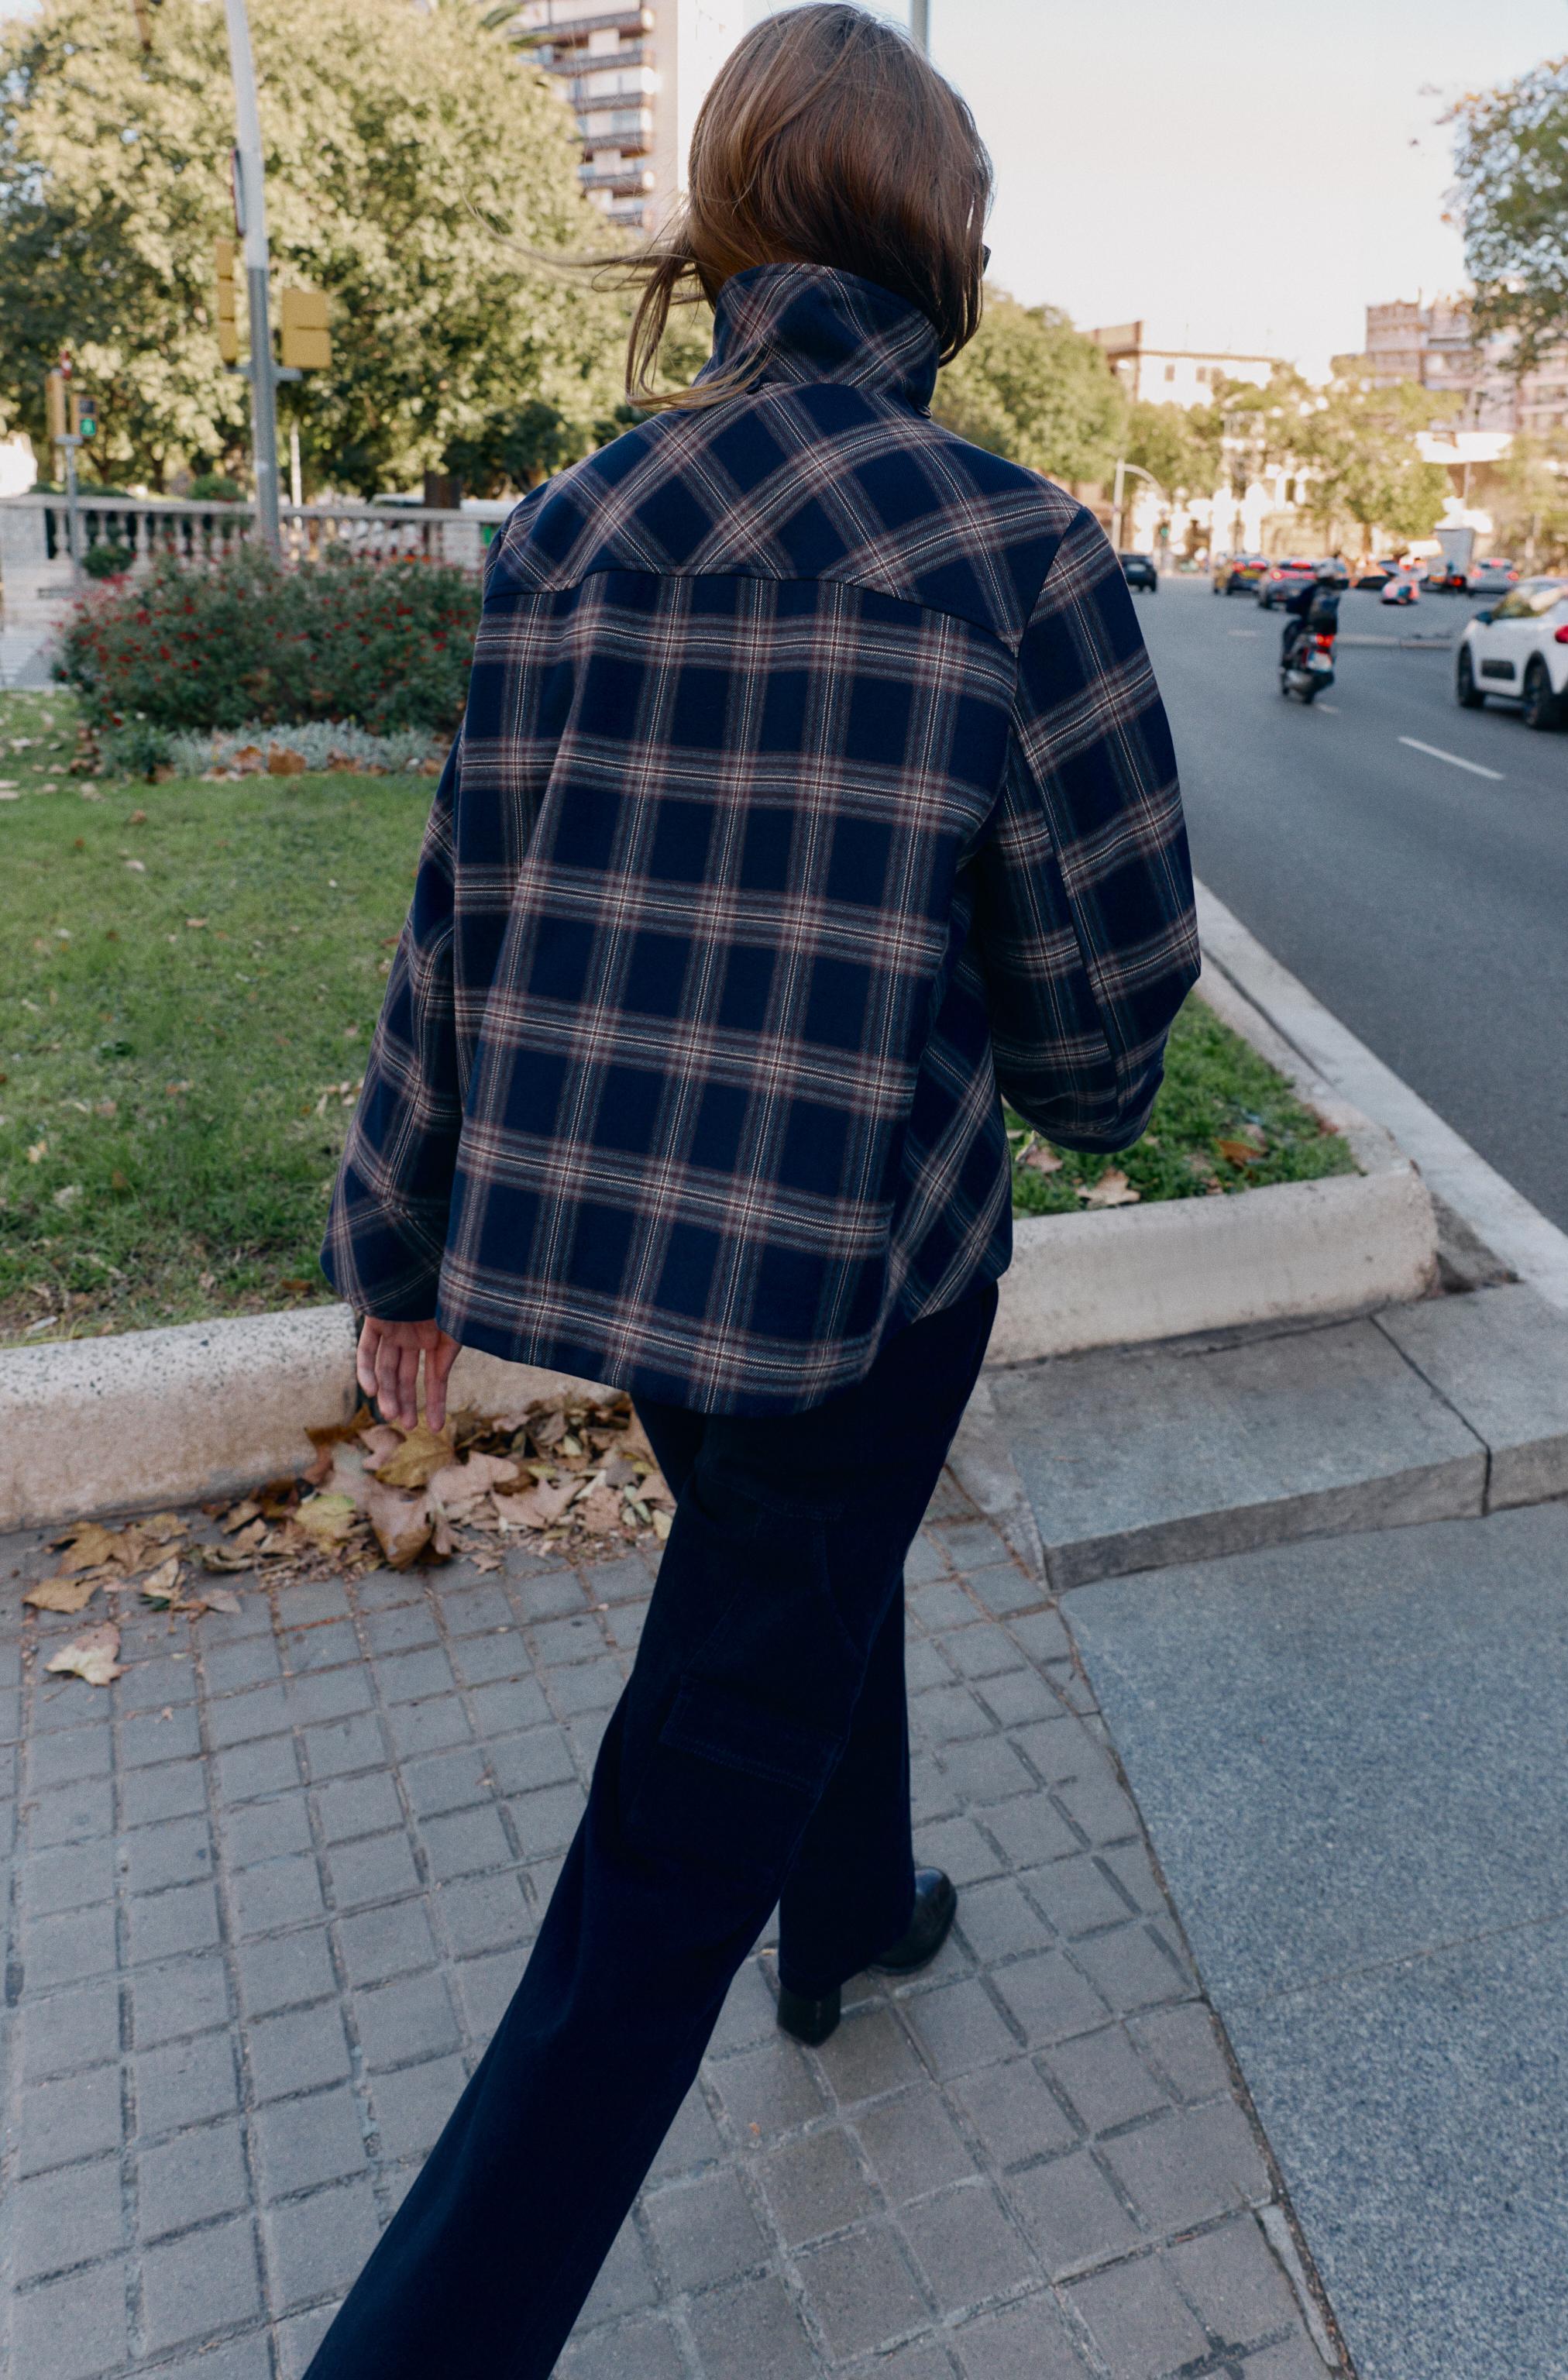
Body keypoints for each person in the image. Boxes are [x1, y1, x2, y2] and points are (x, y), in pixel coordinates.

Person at [311, 8, 1198, 2372]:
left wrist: (394, 1245)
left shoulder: (572, 525)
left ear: (724, 225)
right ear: (944, 247)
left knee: (787, 1594)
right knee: (655, 1854)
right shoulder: (1016, 555)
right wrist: (1034, 1054)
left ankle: (855, 1920)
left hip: (619, 1262)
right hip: (863, 1277)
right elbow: (1104, 1035)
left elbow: (456, 916)